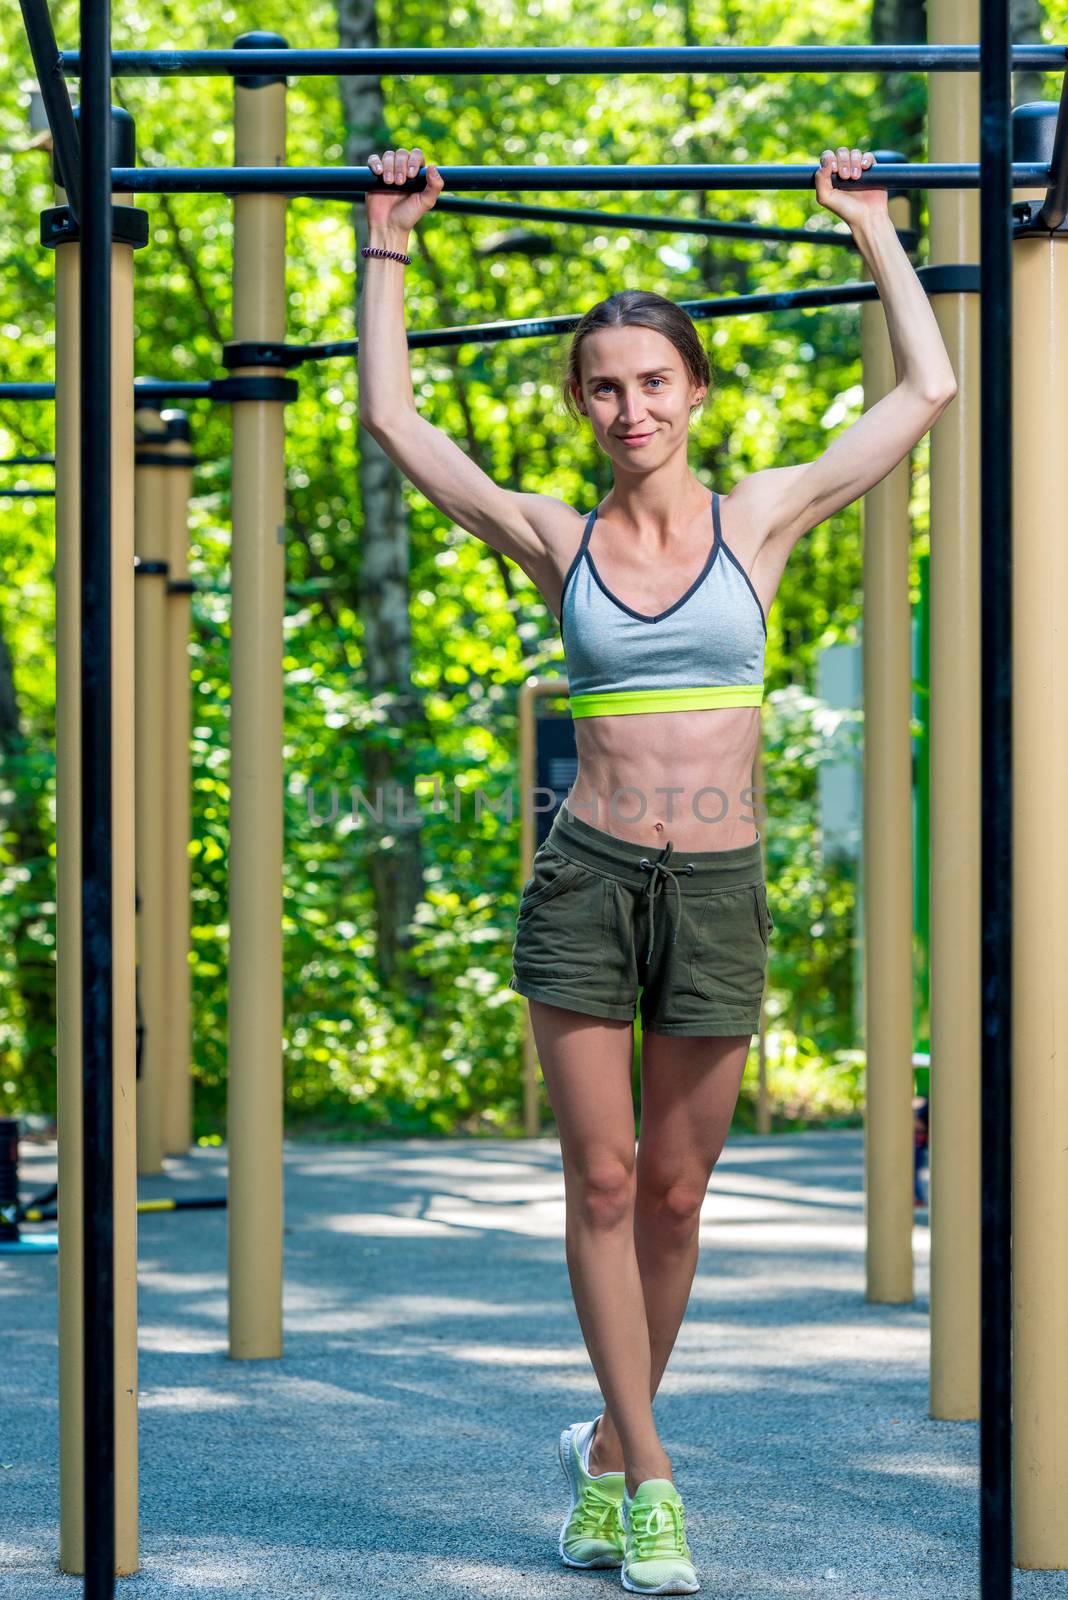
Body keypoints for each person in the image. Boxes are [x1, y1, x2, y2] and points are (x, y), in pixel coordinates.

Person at [356, 140, 957, 1595]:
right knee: (609, 1179)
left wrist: (874, 227)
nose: (629, 408)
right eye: (604, 387)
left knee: (684, 1193)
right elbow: (392, 417)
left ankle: (608, 1456)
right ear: (583, 403)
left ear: (694, 393)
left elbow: (927, 391)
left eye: (653, 382)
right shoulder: (556, 540)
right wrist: (387, 245)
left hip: (718, 888)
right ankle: (656, 1479)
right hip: (589, 879)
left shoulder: (760, 518)